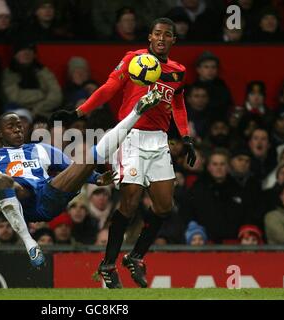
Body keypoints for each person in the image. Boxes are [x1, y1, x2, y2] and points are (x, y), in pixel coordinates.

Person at [0, 91, 163, 267]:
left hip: (48, 198)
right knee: (3, 180)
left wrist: (97, 179)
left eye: (19, 126)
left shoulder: (42, 149)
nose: (17, 130)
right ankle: (29, 243)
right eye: (11, 127)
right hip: (22, 206)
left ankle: (135, 113)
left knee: (87, 157)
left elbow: (71, 169)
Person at [71, 17, 195, 288]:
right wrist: (81, 111)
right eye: (157, 34)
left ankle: (135, 257)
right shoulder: (133, 59)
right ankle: (107, 265)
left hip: (160, 141)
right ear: (149, 37)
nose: (162, 38)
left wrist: (186, 137)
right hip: (131, 136)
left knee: (164, 207)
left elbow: (179, 105)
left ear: (174, 40)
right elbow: (109, 88)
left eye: (167, 35)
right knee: (130, 201)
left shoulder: (178, 71)